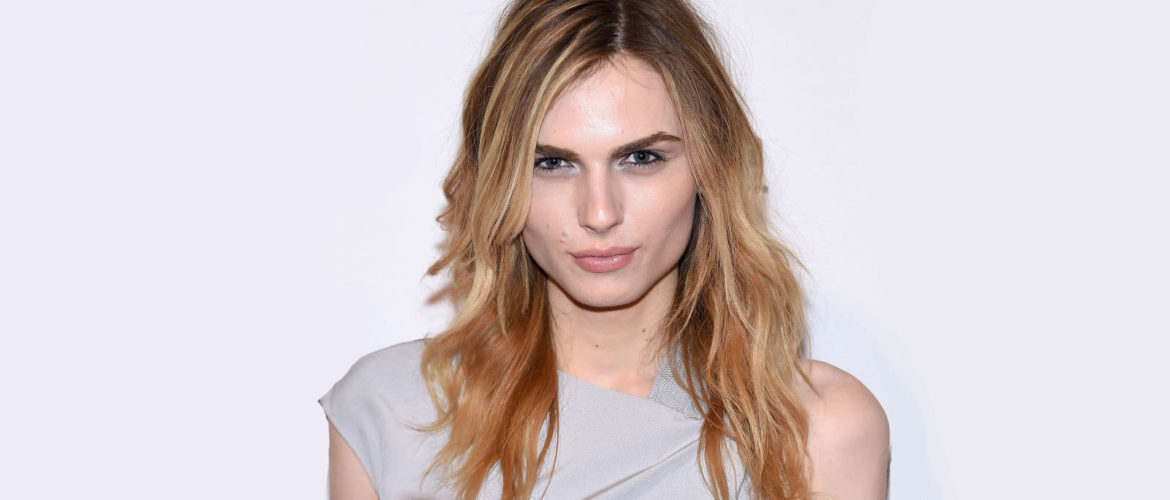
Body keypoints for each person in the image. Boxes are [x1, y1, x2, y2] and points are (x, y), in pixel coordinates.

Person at [319, 0, 889, 498]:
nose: (599, 213)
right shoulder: (392, 412)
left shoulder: (816, 427)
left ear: (710, 168)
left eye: (641, 158)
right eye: (552, 163)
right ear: (499, 181)